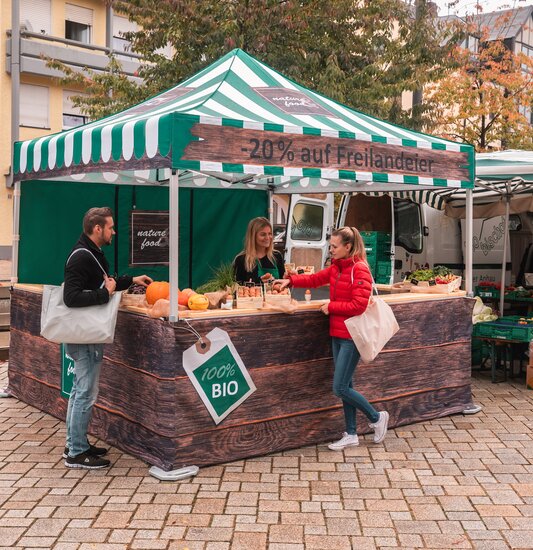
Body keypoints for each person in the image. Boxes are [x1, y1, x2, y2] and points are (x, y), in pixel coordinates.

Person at [275, 226, 389, 450]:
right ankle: (351, 433)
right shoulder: (336, 268)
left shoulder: (360, 269)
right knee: (346, 385)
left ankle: (377, 418)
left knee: (339, 388)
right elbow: (316, 279)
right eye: (330, 246)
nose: (331, 250)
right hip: (337, 333)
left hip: (351, 336)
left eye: (335, 247)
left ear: (348, 247)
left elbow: (359, 305)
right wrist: (292, 281)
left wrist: (332, 306)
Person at [63, 207, 153, 469]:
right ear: (97, 228)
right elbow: (72, 297)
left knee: (80, 391)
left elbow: (105, 281)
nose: (115, 231)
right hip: (86, 335)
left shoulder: (91, 252)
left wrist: (130, 280)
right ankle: (77, 453)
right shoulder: (82, 256)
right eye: (111, 227)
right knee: (85, 394)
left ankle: (75, 444)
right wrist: (106, 295)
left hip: (86, 334)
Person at [233, 217, 284, 285]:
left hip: (276, 295)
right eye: (263, 234)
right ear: (253, 236)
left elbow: (283, 282)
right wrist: (258, 282)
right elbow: (236, 287)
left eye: (269, 234)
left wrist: (289, 277)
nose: (267, 238)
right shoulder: (241, 259)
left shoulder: (277, 256)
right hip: (252, 295)